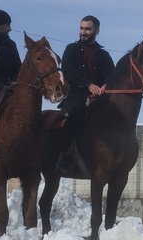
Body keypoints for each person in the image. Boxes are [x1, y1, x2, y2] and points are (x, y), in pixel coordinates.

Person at [56, 15, 115, 175]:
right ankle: (65, 153)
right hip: (74, 96)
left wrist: (105, 86)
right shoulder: (71, 49)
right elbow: (68, 71)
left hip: (98, 97)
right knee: (78, 111)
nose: (83, 32)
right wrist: (89, 85)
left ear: (97, 30)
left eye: (88, 29)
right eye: (81, 28)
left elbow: (112, 74)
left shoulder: (104, 56)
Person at [0, 10, 21, 175]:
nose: (10, 29)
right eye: (8, 25)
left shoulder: (11, 45)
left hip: (10, 88)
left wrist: (14, 82)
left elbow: (19, 69)